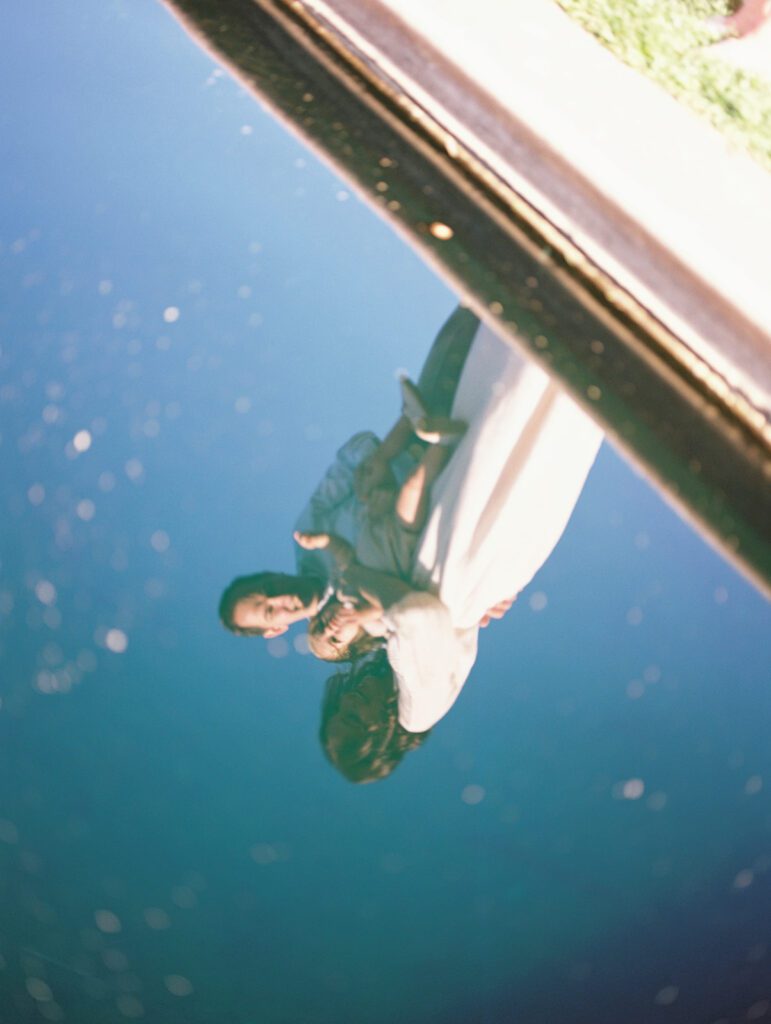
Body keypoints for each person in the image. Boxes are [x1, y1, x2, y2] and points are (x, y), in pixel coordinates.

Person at [315, 318, 604, 765]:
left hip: (454, 528)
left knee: (504, 399)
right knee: (530, 417)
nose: (351, 703)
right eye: (354, 720)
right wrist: (358, 576)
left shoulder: (382, 652)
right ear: (380, 738)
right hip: (472, 546)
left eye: (341, 709)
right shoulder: (418, 710)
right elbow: (421, 616)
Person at [218, 306, 479, 639]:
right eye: (271, 611)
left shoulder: (311, 529)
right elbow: (424, 613)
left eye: (269, 586)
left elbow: (354, 453)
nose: (283, 598)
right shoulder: (346, 627)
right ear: (275, 629)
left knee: (473, 324)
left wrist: (382, 461)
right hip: (464, 495)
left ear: (271, 572)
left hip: (423, 434)